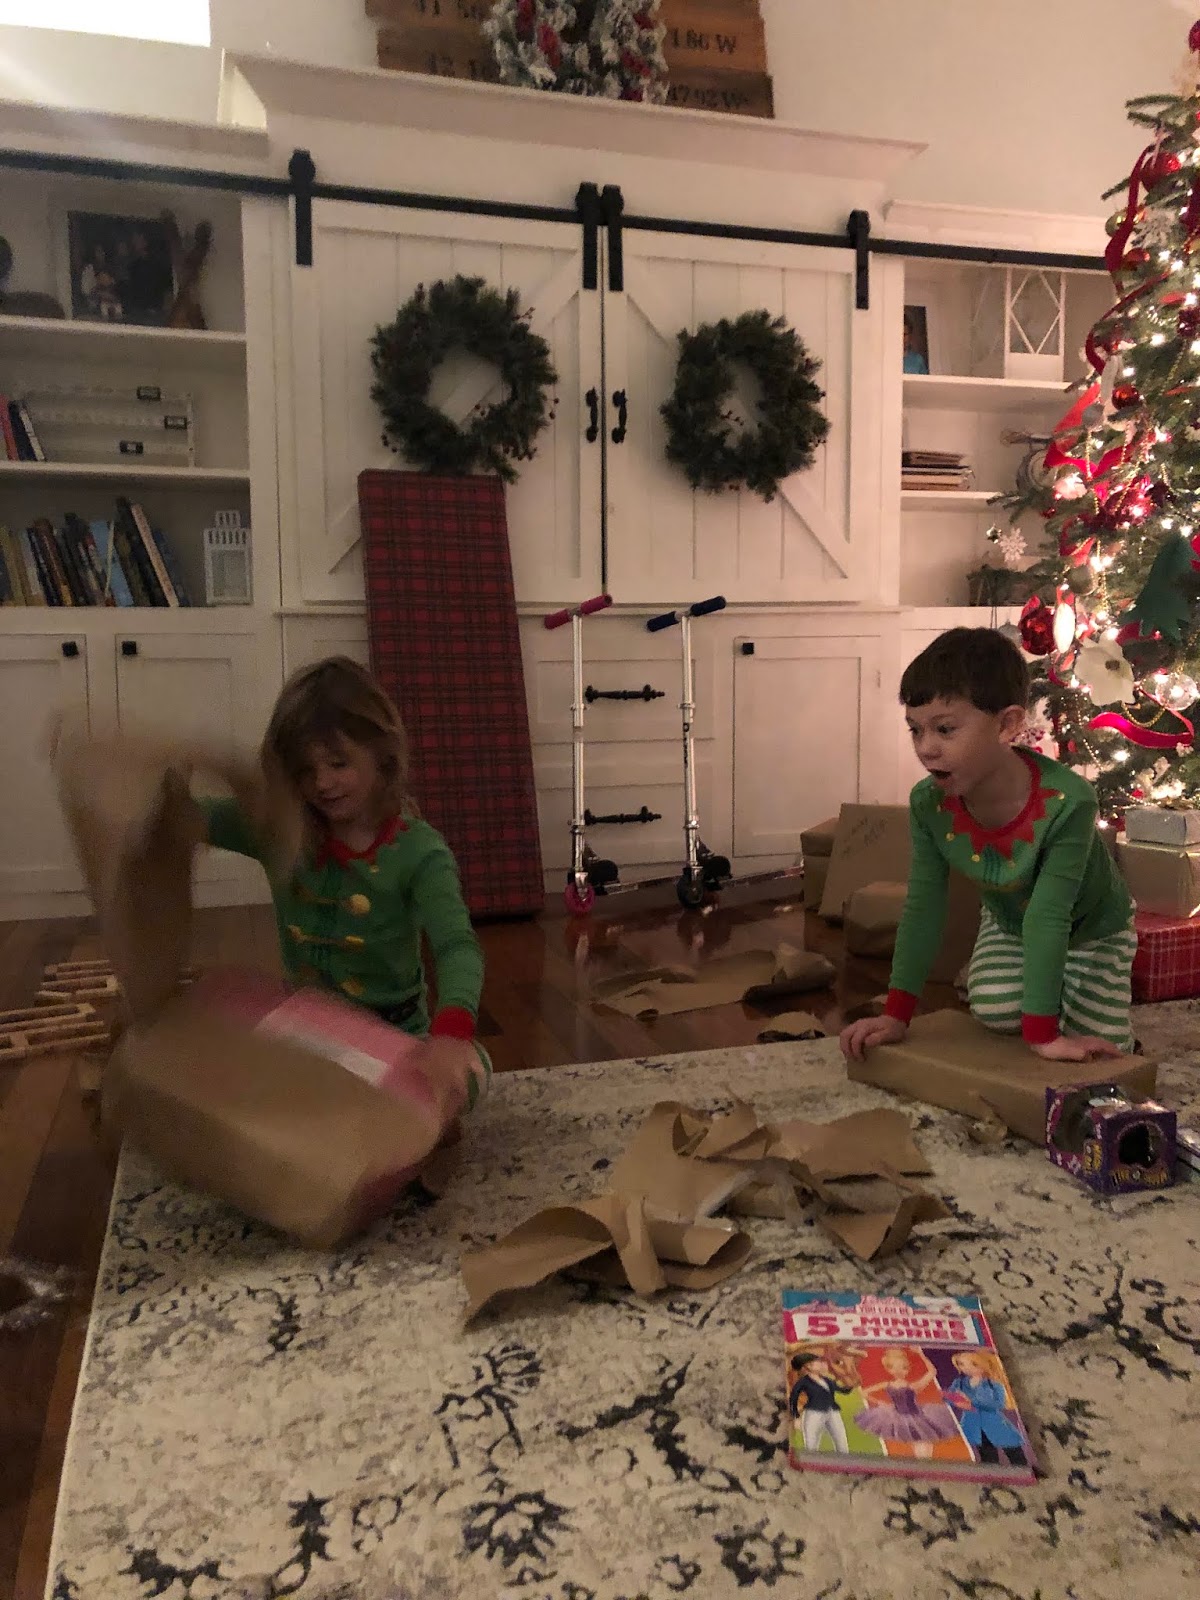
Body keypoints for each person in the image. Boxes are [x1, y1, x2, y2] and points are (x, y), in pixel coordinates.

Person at [195, 655, 487, 1103]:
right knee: (217, 1052)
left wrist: (450, 1035)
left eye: (338, 763)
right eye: (305, 771)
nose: (322, 783)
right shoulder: (280, 832)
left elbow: (456, 946)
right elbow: (192, 818)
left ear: (381, 755)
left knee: (468, 1077)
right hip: (306, 1030)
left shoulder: (419, 852)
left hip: (394, 1037)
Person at [840, 627, 1136, 1064]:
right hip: (1009, 923)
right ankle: (1046, 997)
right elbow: (923, 905)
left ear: (1007, 724)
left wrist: (1042, 1036)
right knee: (995, 1009)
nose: (926, 749)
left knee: (1106, 1049)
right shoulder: (928, 804)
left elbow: (1049, 914)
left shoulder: (1069, 801)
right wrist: (896, 1014)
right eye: (915, 730)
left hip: (1094, 928)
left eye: (945, 729)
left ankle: (1068, 1000)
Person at [945, 1351, 1030, 1468]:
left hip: (994, 1423)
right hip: (973, 1424)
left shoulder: (993, 1384)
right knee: (987, 1457)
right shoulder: (959, 1383)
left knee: (1014, 1453)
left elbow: (999, 1404)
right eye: (961, 1364)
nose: (966, 1368)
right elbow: (949, 1397)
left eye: (973, 1364)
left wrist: (971, 1401)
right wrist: (958, 1401)